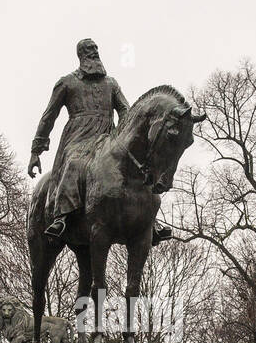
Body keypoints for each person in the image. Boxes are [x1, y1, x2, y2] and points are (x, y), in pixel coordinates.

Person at [28, 38, 171, 244]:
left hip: (107, 138)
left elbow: (125, 111)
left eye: (95, 49)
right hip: (77, 139)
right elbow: (48, 116)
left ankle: (151, 221)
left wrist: (130, 135)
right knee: (75, 162)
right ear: (81, 55)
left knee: (137, 167)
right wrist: (36, 151)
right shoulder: (67, 82)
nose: (94, 52)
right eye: (89, 50)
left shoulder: (111, 83)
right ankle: (62, 216)